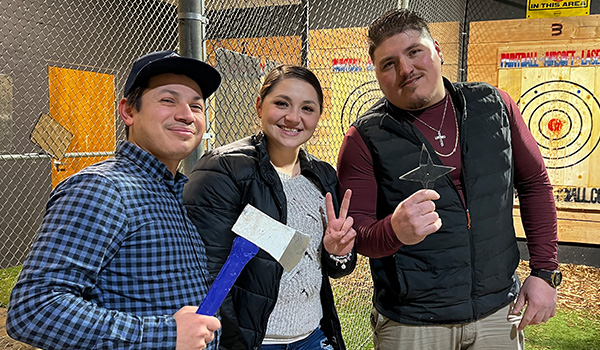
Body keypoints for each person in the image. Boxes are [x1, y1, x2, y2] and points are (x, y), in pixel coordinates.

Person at [336, 9, 559, 350]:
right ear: (377, 75)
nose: (406, 69)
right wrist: (393, 231)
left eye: (414, 52)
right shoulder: (364, 137)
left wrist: (545, 272)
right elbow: (359, 234)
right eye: (388, 63)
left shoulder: (495, 106)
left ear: (437, 50)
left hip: (498, 312)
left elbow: (535, 184)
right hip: (412, 323)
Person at [7, 50, 222, 350]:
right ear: (128, 112)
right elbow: (33, 310)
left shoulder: (171, 192)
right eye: (168, 100)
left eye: (196, 106)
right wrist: (167, 334)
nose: (187, 114)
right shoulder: (102, 188)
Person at [183, 64, 357, 350]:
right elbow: (204, 272)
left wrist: (338, 253)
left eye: (307, 109)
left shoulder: (323, 176)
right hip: (257, 343)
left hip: (312, 336)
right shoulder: (224, 169)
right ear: (259, 105)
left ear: (317, 117)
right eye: (281, 103)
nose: (293, 117)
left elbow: (333, 268)